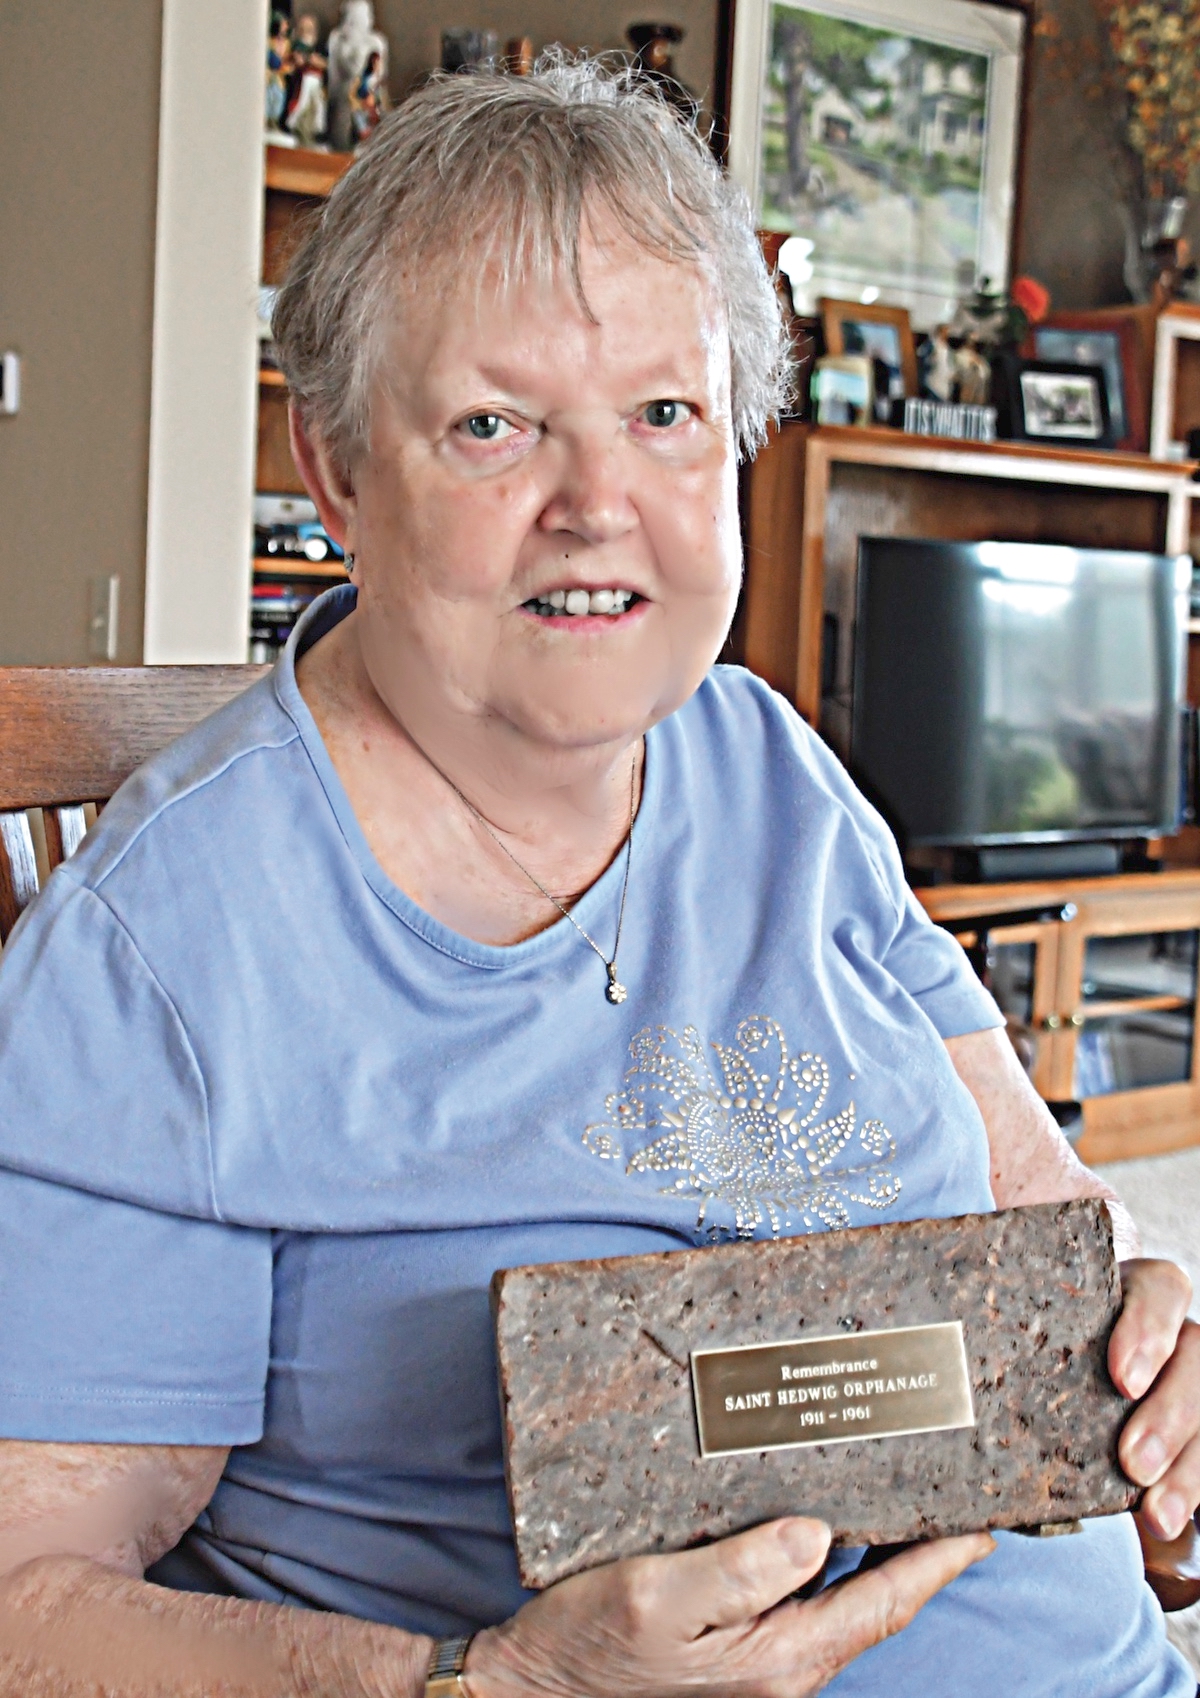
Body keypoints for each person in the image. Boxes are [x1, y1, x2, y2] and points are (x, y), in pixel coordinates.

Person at [0, 58, 1197, 1698]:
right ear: (338, 467)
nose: (597, 507)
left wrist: (1142, 1325)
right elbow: (26, 1597)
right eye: (494, 426)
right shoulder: (168, 949)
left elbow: (1037, 1205)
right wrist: (487, 1690)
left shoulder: (775, 768)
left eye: (664, 415)